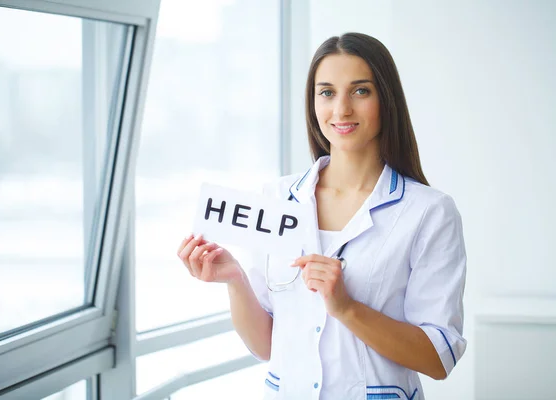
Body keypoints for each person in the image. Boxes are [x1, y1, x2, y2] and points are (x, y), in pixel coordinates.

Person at [177, 32, 466, 400]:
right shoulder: (277, 198)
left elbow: (437, 360)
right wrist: (234, 279)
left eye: (360, 91)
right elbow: (268, 346)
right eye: (327, 92)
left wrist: (346, 308)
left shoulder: (429, 213)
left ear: (386, 100)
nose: (341, 109)